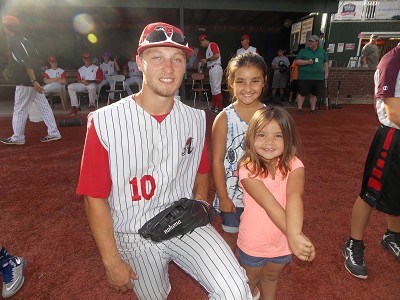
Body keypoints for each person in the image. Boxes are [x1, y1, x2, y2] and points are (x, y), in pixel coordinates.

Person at [76, 22, 252, 300]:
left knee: (236, 291)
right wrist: (111, 261)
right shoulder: (104, 121)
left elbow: (202, 169)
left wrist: (198, 202)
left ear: (185, 64)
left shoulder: (195, 118)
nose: (168, 68)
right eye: (157, 57)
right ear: (140, 62)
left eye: (177, 59)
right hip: (133, 233)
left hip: (184, 222)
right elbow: (94, 197)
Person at [237, 106, 316, 299]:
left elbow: (294, 196)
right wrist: (295, 235)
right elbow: (269, 203)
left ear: (288, 139)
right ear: (251, 137)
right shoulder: (247, 168)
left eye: (278, 136)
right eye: (262, 135)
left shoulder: (295, 164)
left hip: (283, 243)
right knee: (249, 282)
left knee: (271, 278)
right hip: (254, 243)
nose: (269, 142)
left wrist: (294, 236)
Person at [342, 44, 400, 280]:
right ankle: (353, 243)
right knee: (371, 192)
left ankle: (392, 236)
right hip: (392, 137)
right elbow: (394, 113)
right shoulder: (392, 61)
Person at [212, 52, 267, 255]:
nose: (248, 88)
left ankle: (250, 277)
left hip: (262, 196)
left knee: (256, 237)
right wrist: (224, 196)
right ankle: (229, 278)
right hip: (232, 196)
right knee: (231, 236)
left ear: (264, 82)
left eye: (254, 81)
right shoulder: (224, 118)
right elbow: (217, 161)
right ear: (231, 82)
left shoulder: (270, 116)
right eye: (241, 81)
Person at [0, 15, 61, 145]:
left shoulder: (15, 41)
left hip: (27, 81)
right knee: (44, 106)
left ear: (7, 27)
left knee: (20, 108)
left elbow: (26, 63)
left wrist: (33, 81)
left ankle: (18, 137)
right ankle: (54, 132)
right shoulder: (26, 40)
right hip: (34, 80)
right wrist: (36, 80)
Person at [295, 35, 329, 114]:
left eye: (311, 41)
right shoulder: (303, 51)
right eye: (309, 41)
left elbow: (325, 63)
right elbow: (297, 61)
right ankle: (299, 109)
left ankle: (313, 109)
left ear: (316, 42)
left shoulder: (322, 51)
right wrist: (307, 62)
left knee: (314, 94)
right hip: (305, 77)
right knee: (302, 93)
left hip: (318, 77)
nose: (309, 42)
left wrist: (326, 73)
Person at [67, 52, 103, 116]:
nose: (87, 60)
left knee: (91, 87)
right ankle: (75, 107)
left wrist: (90, 81)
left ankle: (91, 105)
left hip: (93, 84)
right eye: (85, 58)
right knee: (70, 87)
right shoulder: (80, 69)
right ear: (83, 59)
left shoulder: (97, 68)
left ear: (91, 59)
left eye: (88, 58)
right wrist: (82, 82)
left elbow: (99, 80)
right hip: (83, 85)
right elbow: (78, 80)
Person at [199, 34, 223, 113]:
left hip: (216, 67)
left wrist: (207, 60)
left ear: (204, 40)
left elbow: (217, 55)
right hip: (211, 68)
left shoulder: (212, 44)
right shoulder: (208, 49)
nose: (201, 44)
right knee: (213, 89)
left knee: (216, 89)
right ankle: (213, 107)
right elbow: (207, 61)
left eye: (201, 42)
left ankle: (219, 109)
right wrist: (202, 66)